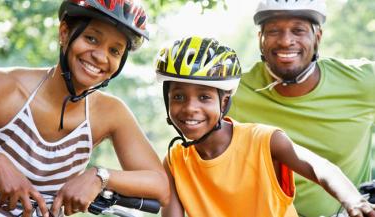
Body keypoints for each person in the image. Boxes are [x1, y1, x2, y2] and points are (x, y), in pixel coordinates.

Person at [154, 36, 375, 217]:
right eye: (179, 97)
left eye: (204, 97)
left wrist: (352, 199)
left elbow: (321, 167)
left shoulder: (263, 140)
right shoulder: (175, 160)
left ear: (224, 102)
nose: (190, 108)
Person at [0, 0, 169, 217]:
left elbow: (160, 186)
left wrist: (100, 176)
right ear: (64, 33)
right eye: (91, 38)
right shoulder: (1, 87)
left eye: (114, 51)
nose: (101, 57)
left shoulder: (110, 113)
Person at [228, 0, 375, 216]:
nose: (286, 41)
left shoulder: (363, 82)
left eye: (298, 30)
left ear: (317, 38)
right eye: (274, 31)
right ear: (260, 39)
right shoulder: (231, 92)